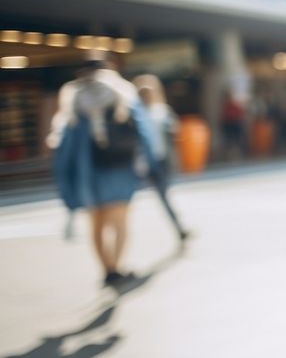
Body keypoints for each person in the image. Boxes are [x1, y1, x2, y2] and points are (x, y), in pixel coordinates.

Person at [48, 53, 155, 286]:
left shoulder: (72, 96)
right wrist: (151, 163)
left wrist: (64, 175)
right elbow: (144, 131)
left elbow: (62, 140)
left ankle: (107, 270)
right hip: (119, 167)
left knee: (96, 223)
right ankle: (117, 267)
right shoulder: (122, 90)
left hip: (88, 171)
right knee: (120, 221)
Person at [134, 73, 191, 243]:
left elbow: (175, 131)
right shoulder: (135, 113)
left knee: (164, 196)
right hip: (140, 163)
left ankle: (179, 228)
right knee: (128, 200)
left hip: (160, 160)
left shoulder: (162, 111)